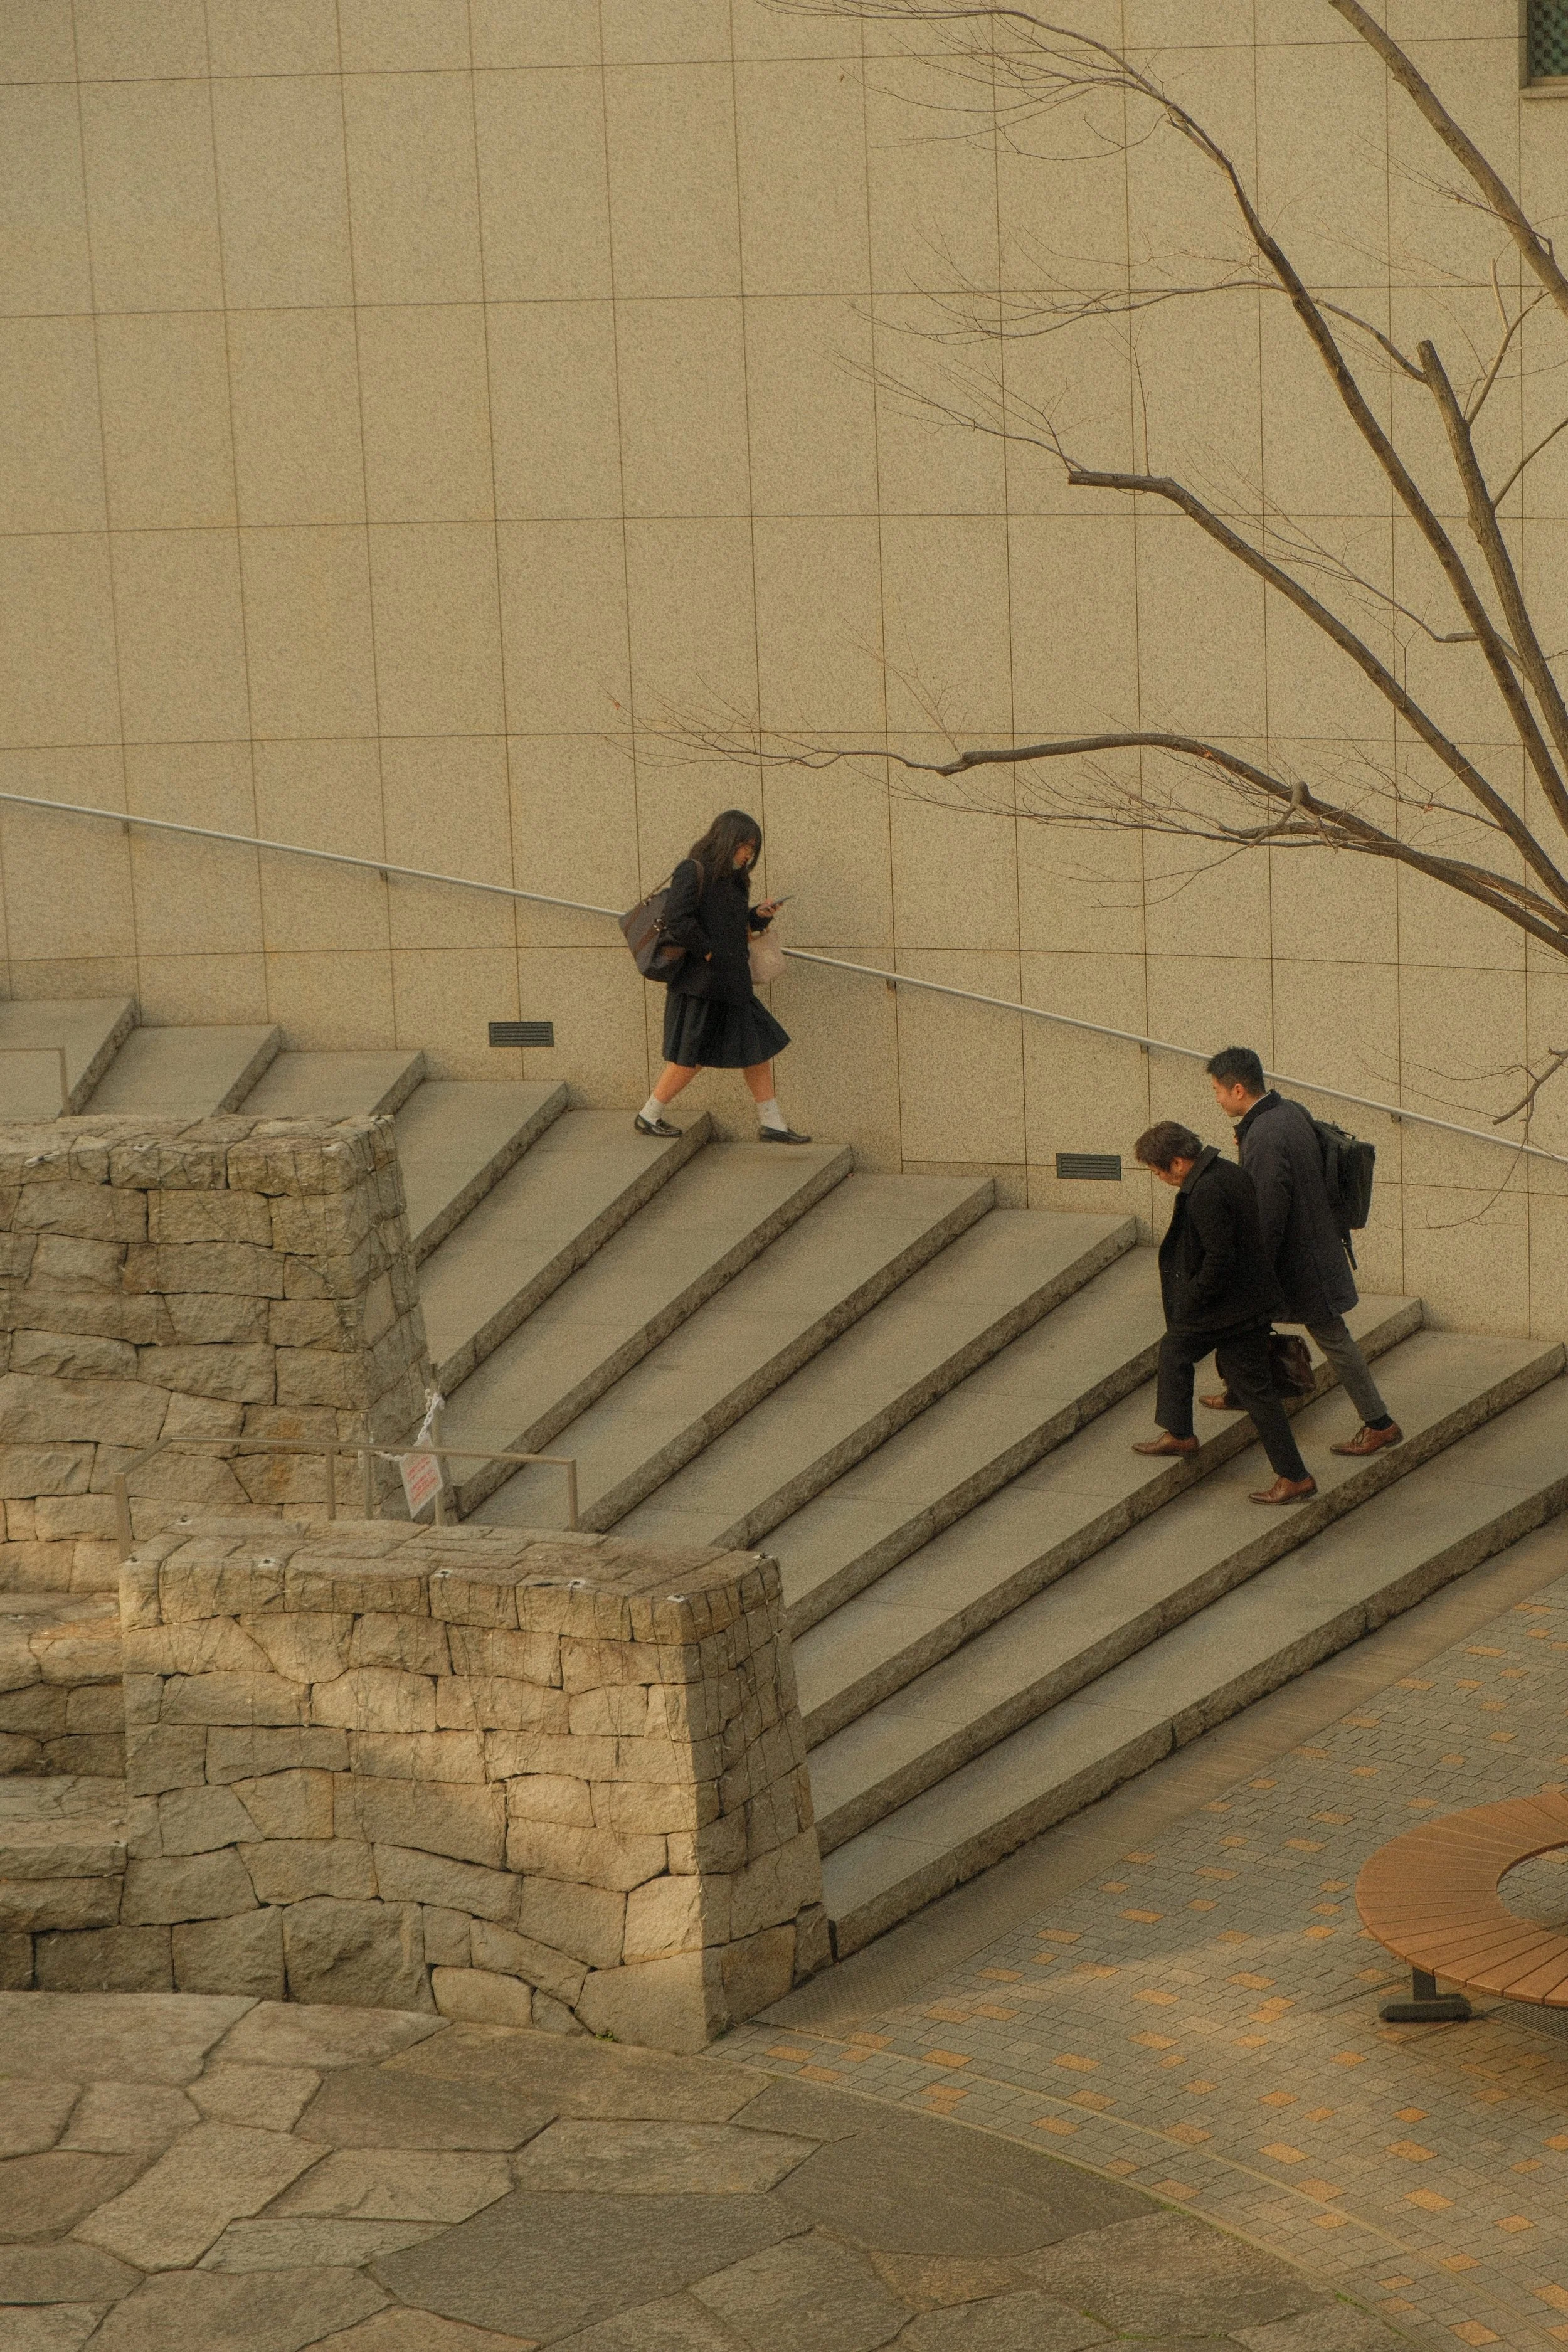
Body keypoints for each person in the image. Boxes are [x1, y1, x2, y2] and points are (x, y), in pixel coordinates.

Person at [1204, 1047, 1401, 1458]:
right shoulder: (1289, 1111)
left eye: (1218, 1090)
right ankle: (1240, 1390)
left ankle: (1379, 1423)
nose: (1217, 1098)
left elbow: (1269, 1209)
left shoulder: (1266, 1135)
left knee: (1335, 1340)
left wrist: (1255, 1270)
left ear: (1238, 1089)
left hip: (1301, 1262)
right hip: (1312, 1249)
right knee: (1243, 1323)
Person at [1132, 1120, 1317, 1506]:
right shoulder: (1227, 1171)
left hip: (1230, 1310)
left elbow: (1220, 1258)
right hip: (1235, 1305)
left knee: (1257, 1394)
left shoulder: (1206, 1192)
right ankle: (1180, 1432)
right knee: (1175, 1351)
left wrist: (1191, 1298)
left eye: (1157, 1171)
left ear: (1179, 1162)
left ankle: (1295, 1477)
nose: (1160, 1179)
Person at [634, 810, 812, 1145]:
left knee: (756, 1049)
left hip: (732, 984)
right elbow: (678, 919)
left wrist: (758, 917)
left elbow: (731, 926)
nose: (748, 855)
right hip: (702, 984)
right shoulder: (693, 870)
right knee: (692, 1059)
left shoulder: (735, 880)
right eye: (745, 846)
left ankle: (772, 1123)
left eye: (753, 849)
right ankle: (649, 1114)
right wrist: (710, 953)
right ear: (727, 840)